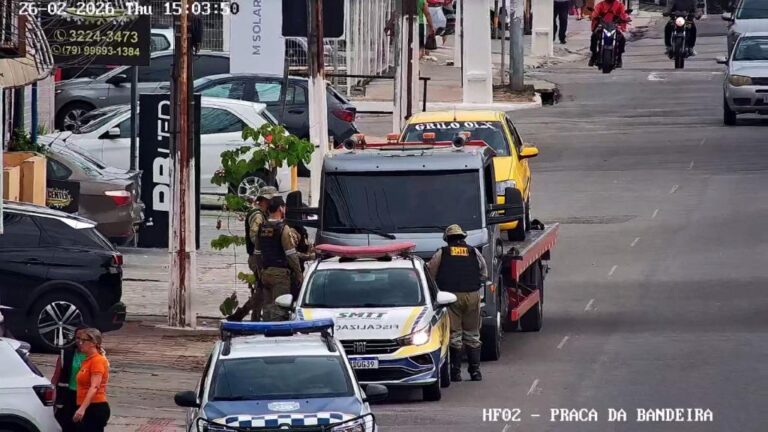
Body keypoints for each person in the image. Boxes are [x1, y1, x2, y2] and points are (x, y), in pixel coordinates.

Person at [427, 224, 488, 382]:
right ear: (462, 237)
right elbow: (484, 271)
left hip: (451, 296)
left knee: (455, 335)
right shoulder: (473, 251)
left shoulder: (443, 252)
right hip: (473, 295)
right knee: (473, 334)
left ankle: (456, 373)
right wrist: (474, 285)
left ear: (448, 239)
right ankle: (475, 372)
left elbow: (431, 273)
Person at [227, 186, 279, 322]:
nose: (271, 203)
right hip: (257, 258)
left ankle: (248, 317)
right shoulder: (258, 215)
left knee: (261, 291)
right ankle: (244, 316)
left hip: (259, 257)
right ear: (262, 201)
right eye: (269, 200)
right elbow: (255, 236)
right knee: (263, 290)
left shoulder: (262, 214)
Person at [255, 196, 304, 321]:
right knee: (279, 311)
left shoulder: (262, 227)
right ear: (280, 209)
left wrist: (261, 271)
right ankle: (277, 338)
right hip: (280, 276)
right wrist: (298, 274)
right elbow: (291, 254)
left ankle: (264, 335)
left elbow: (257, 253)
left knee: (267, 310)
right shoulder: (283, 229)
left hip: (265, 273)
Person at [51, 326, 89, 432]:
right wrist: (53, 390)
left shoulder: (96, 356)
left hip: (86, 396)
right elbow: (56, 375)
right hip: (68, 395)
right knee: (66, 424)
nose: (80, 341)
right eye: (77, 338)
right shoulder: (66, 354)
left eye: (84, 339)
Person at [73, 328, 110, 432]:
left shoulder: (97, 361)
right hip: (86, 405)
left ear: (93, 343)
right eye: (79, 340)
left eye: (83, 341)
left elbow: (94, 386)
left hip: (95, 406)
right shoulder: (87, 361)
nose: (80, 343)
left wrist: (82, 409)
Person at [588, 0, 630, 68]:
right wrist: (593, 16)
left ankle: (619, 57)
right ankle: (593, 55)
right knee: (594, 36)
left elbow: (623, 14)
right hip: (603, 26)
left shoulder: (619, 5)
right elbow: (595, 13)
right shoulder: (600, 5)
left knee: (622, 39)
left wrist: (625, 18)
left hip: (614, 26)